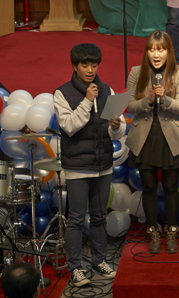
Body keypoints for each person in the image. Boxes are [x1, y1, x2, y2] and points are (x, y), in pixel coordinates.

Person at [53, 43, 124, 287]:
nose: (90, 70)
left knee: (99, 216)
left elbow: (117, 133)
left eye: (94, 65)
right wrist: (86, 101)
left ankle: (99, 260)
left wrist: (116, 127)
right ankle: (75, 268)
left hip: (103, 164)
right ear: (75, 66)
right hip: (77, 167)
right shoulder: (62, 93)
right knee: (75, 218)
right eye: (85, 65)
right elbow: (69, 127)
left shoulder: (108, 91)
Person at [125, 30, 179, 254]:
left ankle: (171, 230)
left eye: (160, 49)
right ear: (146, 52)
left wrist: (164, 99)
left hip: (171, 136)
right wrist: (148, 100)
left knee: (171, 187)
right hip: (144, 137)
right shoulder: (136, 72)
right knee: (149, 187)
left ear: (168, 51)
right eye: (152, 49)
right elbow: (130, 106)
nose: (156, 54)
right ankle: (152, 230)